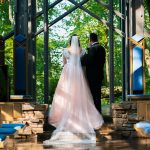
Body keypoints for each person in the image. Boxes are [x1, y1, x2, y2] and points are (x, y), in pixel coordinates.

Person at [43, 35, 104, 146]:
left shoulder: (65, 50)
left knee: (67, 94)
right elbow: (84, 64)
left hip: (68, 72)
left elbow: (64, 63)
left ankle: (65, 114)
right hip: (79, 72)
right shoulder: (83, 50)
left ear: (70, 41)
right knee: (80, 94)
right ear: (78, 42)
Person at [81, 33, 106, 114]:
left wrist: (82, 58)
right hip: (99, 75)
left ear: (90, 40)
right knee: (97, 95)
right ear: (97, 39)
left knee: (93, 95)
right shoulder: (102, 48)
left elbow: (88, 61)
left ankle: (95, 114)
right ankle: (98, 112)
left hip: (92, 76)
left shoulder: (92, 48)